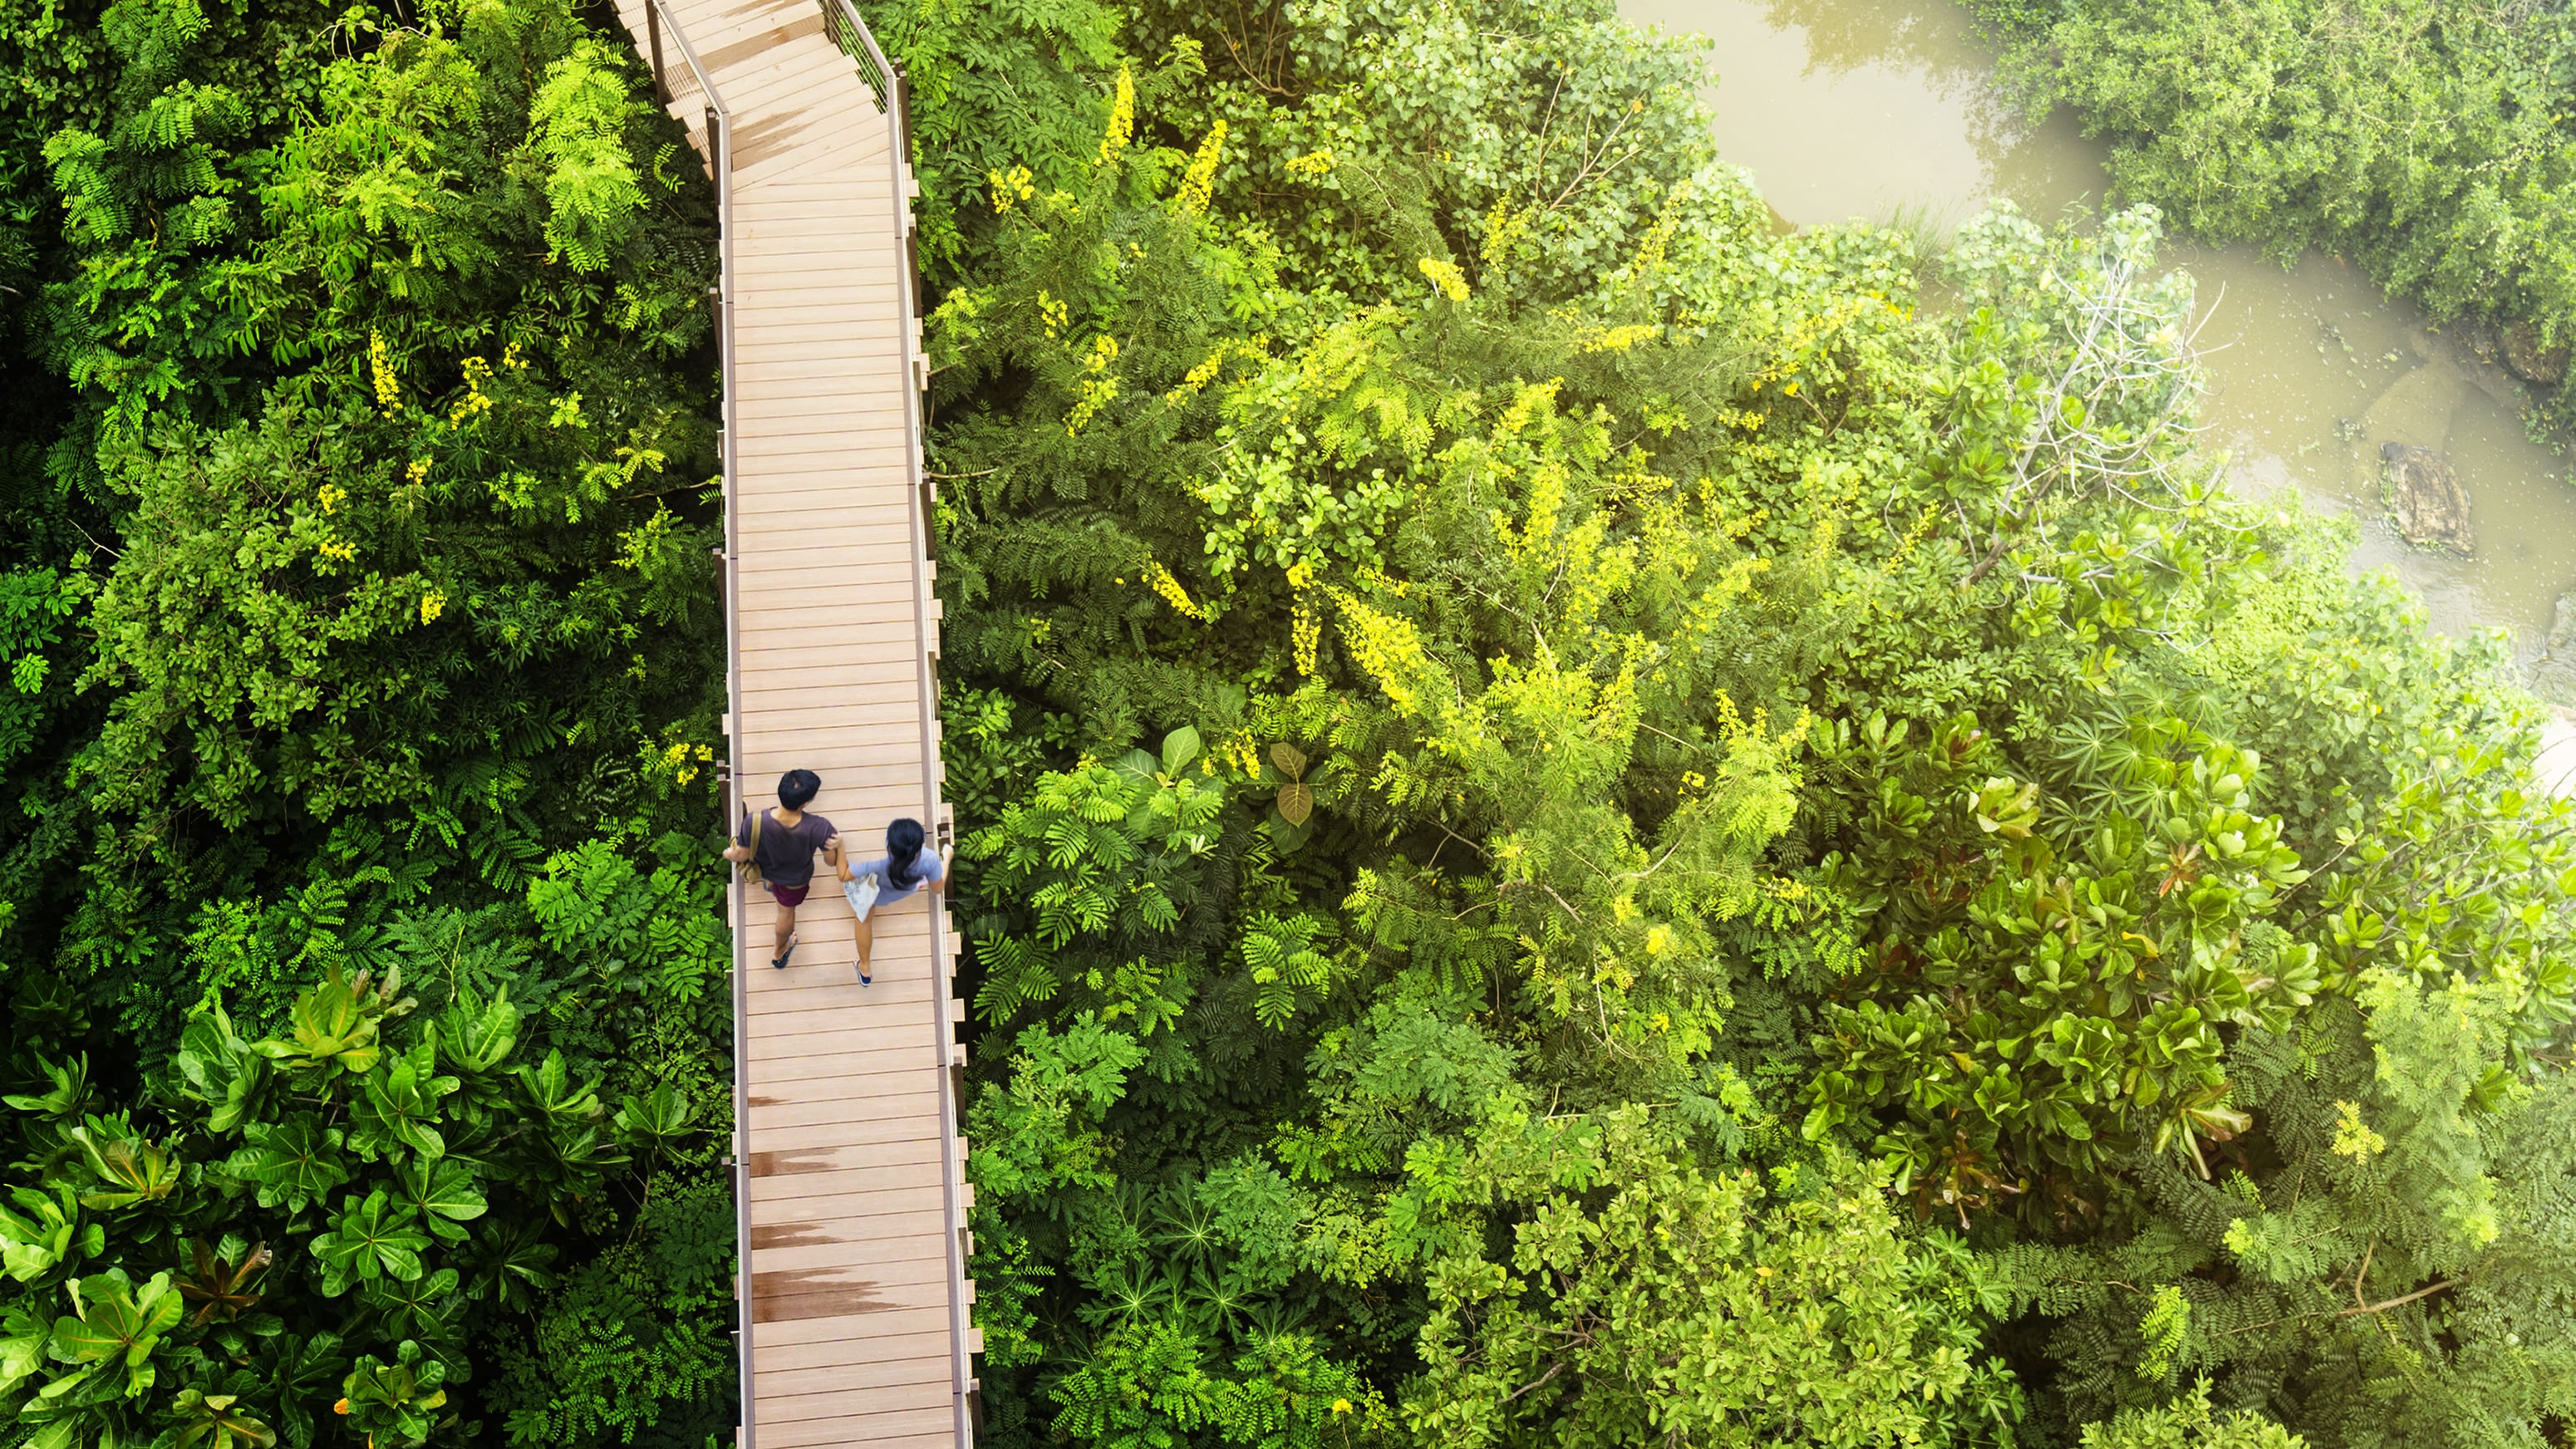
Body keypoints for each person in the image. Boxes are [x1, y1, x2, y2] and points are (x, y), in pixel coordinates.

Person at [721, 769, 846, 970]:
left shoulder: (754, 821)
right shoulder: (820, 827)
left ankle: (771, 886)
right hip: (795, 882)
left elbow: (741, 855)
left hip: (767, 871)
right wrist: (838, 845)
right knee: (786, 913)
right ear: (806, 802)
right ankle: (779, 952)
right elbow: (831, 862)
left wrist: (728, 854)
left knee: (773, 885)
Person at [842, 816, 948, 985]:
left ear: (889, 847)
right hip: (900, 891)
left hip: (873, 893)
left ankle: (865, 969)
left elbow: (845, 875)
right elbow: (938, 888)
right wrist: (947, 858)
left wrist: (839, 848)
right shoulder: (930, 860)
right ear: (918, 848)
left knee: (863, 920)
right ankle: (865, 970)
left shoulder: (877, 863)